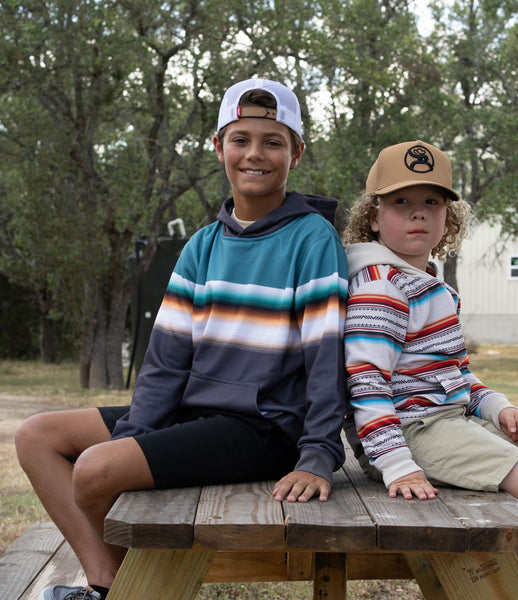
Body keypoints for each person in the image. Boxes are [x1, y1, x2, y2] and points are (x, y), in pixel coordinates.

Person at [15, 78, 348, 600]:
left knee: (95, 469)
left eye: (273, 141)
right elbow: (167, 361)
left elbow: (326, 359)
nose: (254, 154)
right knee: (37, 436)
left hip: (263, 428)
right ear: (219, 147)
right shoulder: (203, 244)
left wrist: (317, 454)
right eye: (240, 139)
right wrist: (139, 434)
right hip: (194, 414)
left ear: (297, 153)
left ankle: (118, 590)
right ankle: (108, 583)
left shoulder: (312, 238)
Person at [342, 139, 518, 599]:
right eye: (401, 202)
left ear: (448, 219)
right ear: (373, 217)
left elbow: (457, 372)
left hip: (447, 421)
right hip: (407, 433)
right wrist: (397, 465)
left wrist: (495, 406)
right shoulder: (382, 288)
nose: (417, 214)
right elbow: (365, 382)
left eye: (431, 202)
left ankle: (496, 574)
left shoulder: (429, 283)